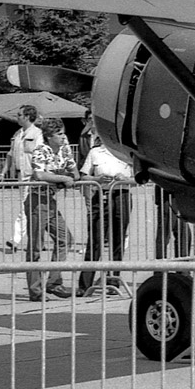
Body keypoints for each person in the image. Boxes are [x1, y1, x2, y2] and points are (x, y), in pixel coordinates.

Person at [77, 116, 134, 295]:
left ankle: (113, 280)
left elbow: (138, 179)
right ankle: (85, 284)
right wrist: (97, 179)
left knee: (118, 240)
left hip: (121, 195)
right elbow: (84, 175)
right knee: (95, 240)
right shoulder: (95, 152)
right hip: (100, 196)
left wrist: (125, 179)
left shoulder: (126, 153)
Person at [24, 118, 76, 301]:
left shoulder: (64, 150)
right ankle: (35, 289)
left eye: (63, 133)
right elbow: (39, 174)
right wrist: (61, 178)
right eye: (59, 134)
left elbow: (74, 173)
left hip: (51, 200)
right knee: (36, 246)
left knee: (65, 238)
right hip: (38, 200)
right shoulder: (41, 150)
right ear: (49, 136)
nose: (63, 137)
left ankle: (54, 282)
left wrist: (64, 177)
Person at [5, 105, 42, 252]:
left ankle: (15, 240)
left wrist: (37, 174)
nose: (17, 117)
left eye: (19, 114)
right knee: (35, 209)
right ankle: (41, 240)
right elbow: (11, 153)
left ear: (27, 116)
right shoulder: (18, 134)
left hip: (32, 176)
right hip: (21, 175)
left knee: (24, 209)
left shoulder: (38, 134)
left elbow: (39, 155)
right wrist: (4, 171)